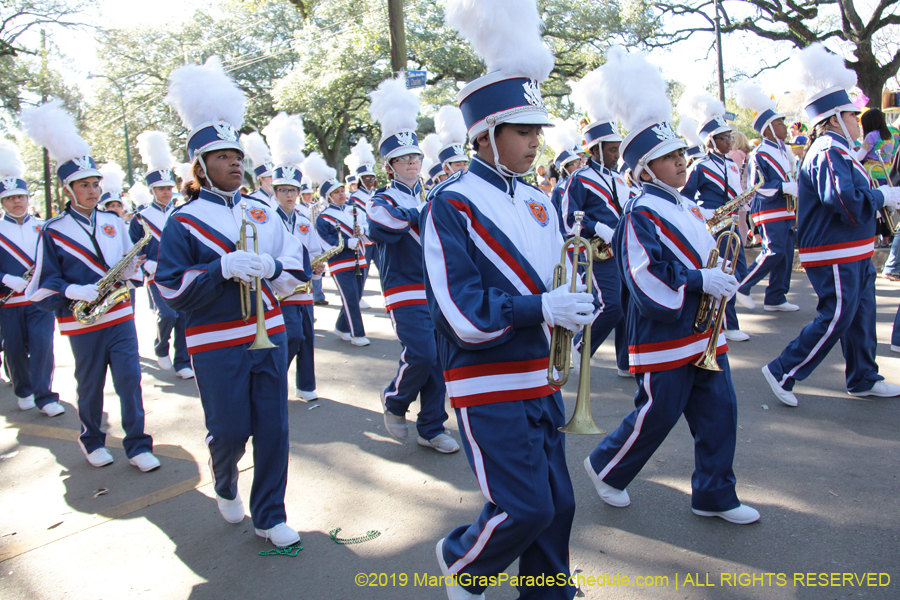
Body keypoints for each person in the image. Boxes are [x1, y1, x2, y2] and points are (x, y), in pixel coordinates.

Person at [425, 2, 592, 596]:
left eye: (538, 131)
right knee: (523, 508)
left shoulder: (539, 200)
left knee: (558, 507)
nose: (535, 142)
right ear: (487, 134)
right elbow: (460, 311)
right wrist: (538, 309)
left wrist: (576, 300)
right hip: (486, 378)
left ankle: (548, 592)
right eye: (523, 130)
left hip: (539, 376)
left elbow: (554, 278)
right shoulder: (452, 203)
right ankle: (460, 562)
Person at [582, 45, 759, 526]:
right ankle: (605, 467)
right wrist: (703, 279)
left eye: (681, 152)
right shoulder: (640, 211)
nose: (681, 161)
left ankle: (715, 494)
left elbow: (705, 256)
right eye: (668, 157)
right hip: (664, 334)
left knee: (721, 412)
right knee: (657, 415)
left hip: (702, 333)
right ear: (642, 170)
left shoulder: (684, 206)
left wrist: (720, 274)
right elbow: (646, 279)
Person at [157, 57, 310, 547]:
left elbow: (296, 264)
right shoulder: (181, 221)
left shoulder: (264, 209)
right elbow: (169, 289)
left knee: (274, 428)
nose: (236, 162)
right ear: (200, 167)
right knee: (228, 431)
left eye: (237, 155)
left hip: (269, 331)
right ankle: (224, 481)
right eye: (224, 157)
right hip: (215, 340)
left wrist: (272, 268)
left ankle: (270, 513)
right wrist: (217, 269)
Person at [760, 43, 900, 407]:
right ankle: (782, 370)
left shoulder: (838, 150)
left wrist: (879, 197)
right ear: (836, 118)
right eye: (853, 115)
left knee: (861, 315)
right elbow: (845, 202)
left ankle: (863, 377)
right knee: (836, 316)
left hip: (852, 249)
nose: (858, 120)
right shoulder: (827, 149)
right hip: (834, 250)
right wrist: (880, 197)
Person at [23, 100, 159, 472]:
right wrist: (70, 291)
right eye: (84, 185)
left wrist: (134, 270)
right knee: (90, 383)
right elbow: (45, 279)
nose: (93, 190)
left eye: (96, 183)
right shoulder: (52, 229)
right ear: (70, 189)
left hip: (119, 313)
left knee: (130, 380)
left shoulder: (113, 221)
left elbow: (125, 265)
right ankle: (92, 439)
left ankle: (137, 444)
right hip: (81, 320)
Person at [365, 77, 459, 454]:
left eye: (415, 157)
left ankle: (432, 426)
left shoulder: (432, 193)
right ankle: (395, 399)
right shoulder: (381, 197)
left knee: (440, 359)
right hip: (403, 288)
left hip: (436, 287)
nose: (411, 163)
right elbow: (383, 225)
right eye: (403, 159)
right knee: (422, 353)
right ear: (389, 166)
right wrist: (417, 213)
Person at [564, 69, 632, 377]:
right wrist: (596, 227)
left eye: (618, 147)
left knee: (629, 307)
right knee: (612, 306)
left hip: (623, 247)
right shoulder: (580, 178)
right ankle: (579, 348)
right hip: (597, 251)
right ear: (595, 149)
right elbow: (569, 218)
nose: (618, 153)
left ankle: (626, 361)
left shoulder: (620, 178)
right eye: (612, 148)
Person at [681, 89, 751, 342]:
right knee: (723, 270)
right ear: (710, 141)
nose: (730, 141)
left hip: (732, 221)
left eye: (730, 137)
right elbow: (686, 196)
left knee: (737, 268)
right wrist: (704, 212)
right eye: (724, 138)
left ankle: (725, 320)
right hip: (713, 223)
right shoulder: (699, 166)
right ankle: (728, 325)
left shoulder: (732, 164)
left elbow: (735, 190)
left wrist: (745, 197)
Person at [0, 140, 63, 416]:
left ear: (28, 198)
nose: (17, 202)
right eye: (11, 198)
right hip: (9, 303)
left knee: (42, 347)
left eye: (21, 197)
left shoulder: (44, 227)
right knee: (13, 350)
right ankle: (23, 389)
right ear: (3, 202)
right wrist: (4, 277)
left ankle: (45, 395)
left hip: (39, 300)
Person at [733, 81, 800, 313]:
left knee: (786, 254)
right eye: (781, 123)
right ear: (769, 128)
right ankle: (743, 286)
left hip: (786, 209)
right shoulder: (760, 153)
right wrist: (784, 187)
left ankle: (775, 297)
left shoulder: (783, 149)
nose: (785, 126)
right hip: (768, 208)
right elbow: (756, 185)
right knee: (774, 250)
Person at [132, 131, 193, 379]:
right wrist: (147, 265)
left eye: (169, 188)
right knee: (167, 313)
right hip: (154, 274)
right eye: (161, 189)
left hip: (179, 272)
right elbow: (132, 249)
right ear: (151, 190)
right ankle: (160, 345)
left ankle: (182, 361)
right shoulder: (140, 216)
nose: (167, 192)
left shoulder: (181, 212)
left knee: (183, 315)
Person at [306, 153, 370, 346]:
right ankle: (357, 334)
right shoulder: (323, 217)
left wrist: (362, 231)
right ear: (328, 196)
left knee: (355, 296)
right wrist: (342, 244)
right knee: (351, 298)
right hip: (340, 263)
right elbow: (324, 241)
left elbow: (368, 229)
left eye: (342, 190)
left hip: (360, 259)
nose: (342, 194)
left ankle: (342, 327)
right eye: (337, 192)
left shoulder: (354, 210)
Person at [344, 138, 379, 309]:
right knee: (363, 272)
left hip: (377, 237)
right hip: (364, 238)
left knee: (386, 268)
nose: (370, 180)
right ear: (360, 179)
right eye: (366, 177)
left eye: (372, 177)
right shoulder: (354, 197)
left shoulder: (377, 194)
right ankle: (359, 297)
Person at [241, 131, 276, 209]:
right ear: (260, 179)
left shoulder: (279, 199)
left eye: (273, 176)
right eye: (269, 176)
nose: (272, 179)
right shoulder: (251, 199)